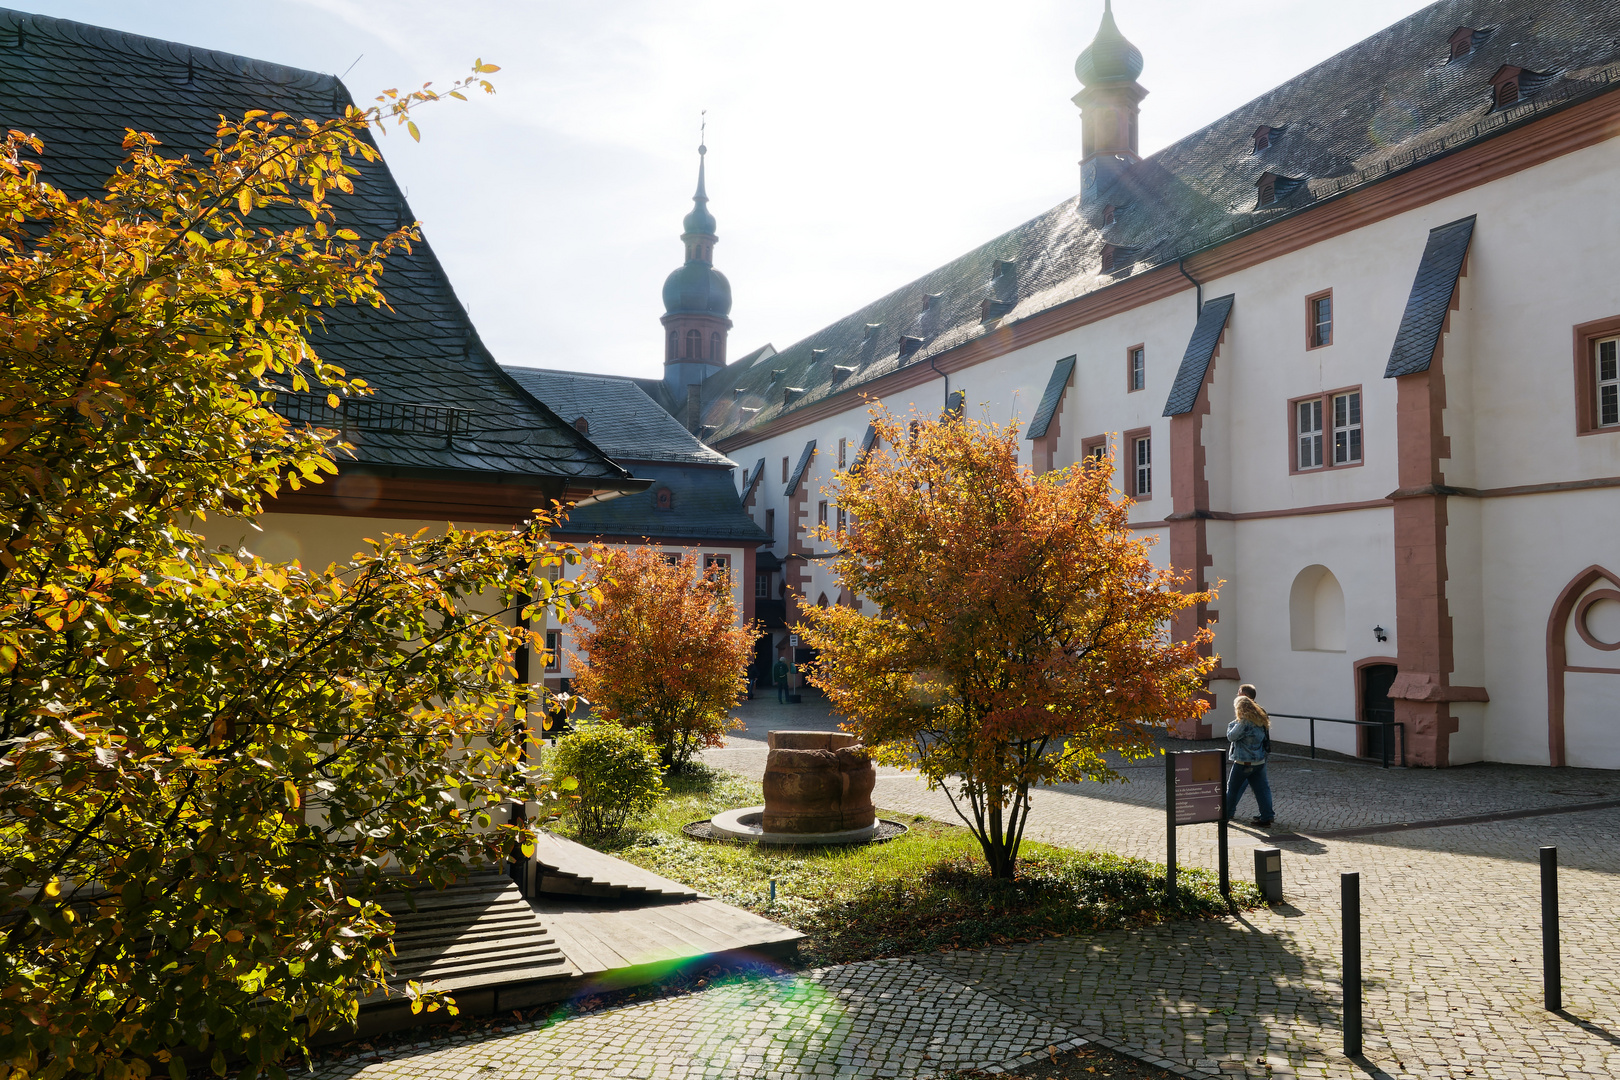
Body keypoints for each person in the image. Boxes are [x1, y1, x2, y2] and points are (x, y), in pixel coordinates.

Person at [1225, 683, 1274, 827]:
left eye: (1239, 693)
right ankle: (1267, 816)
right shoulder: (1261, 716)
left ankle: (1226, 814)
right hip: (1259, 760)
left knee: (1233, 788)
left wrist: (1231, 724)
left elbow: (1231, 736)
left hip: (1244, 762)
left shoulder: (1244, 721)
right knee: (1262, 789)